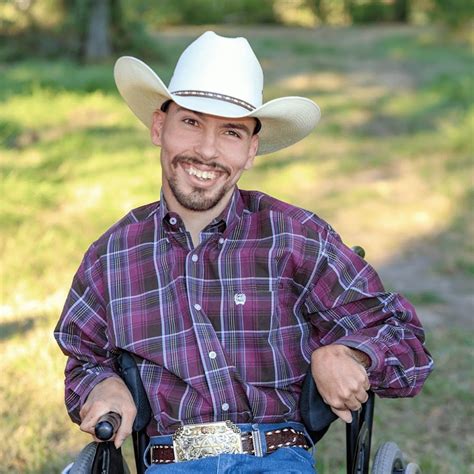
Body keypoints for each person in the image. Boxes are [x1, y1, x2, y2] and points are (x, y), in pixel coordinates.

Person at [55, 31, 433, 473]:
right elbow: (84, 357)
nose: (207, 150)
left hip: (279, 456)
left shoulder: (294, 236)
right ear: (159, 127)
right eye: (191, 122)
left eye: (231, 132)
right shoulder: (113, 256)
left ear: (251, 149)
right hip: (172, 460)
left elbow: (402, 337)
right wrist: (102, 385)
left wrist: (352, 353)